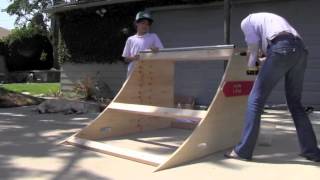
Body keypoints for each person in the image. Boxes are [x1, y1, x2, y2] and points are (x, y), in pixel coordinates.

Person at [225, 12, 320, 162]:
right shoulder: (269, 19)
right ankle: (312, 151)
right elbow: (279, 51)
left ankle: (243, 151)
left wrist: (251, 68)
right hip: (300, 50)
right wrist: (267, 58)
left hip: (281, 48)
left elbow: (254, 49)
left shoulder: (246, 22)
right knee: (295, 103)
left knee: (254, 100)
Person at [122, 11, 163, 76]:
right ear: (136, 23)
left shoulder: (153, 36)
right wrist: (133, 58)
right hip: (133, 74)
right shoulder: (130, 39)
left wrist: (156, 50)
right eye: (143, 23)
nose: (145, 26)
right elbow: (126, 59)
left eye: (147, 24)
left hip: (150, 73)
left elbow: (162, 52)